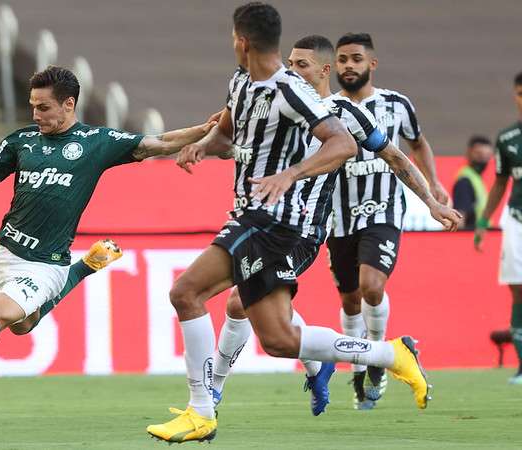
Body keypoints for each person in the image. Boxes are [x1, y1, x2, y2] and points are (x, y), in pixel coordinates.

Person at [146, 4, 457, 443]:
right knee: (277, 339)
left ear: (241, 40)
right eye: (293, 62)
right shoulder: (239, 82)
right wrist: (202, 145)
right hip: (253, 215)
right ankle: (391, 354)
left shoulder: (297, 95)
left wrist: (290, 174)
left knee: (187, 292)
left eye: (304, 63)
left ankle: (204, 404)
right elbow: (227, 132)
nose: (297, 69)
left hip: (282, 223)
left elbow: (351, 145)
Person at [0, 65, 217, 424]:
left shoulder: (97, 142)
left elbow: (161, 142)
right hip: (8, 255)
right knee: (22, 325)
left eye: (43, 107)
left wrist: (203, 131)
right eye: (32, 106)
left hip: (46, 265)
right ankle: (85, 268)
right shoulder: (20, 142)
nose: (36, 114)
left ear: (68, 104)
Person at [329, 32, 451, 409]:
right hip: (337, 217)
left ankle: (379, 362)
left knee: (372, 286)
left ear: (372, 64)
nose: (349, 66)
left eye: (356, 59)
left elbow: (418, 142)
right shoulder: (324, 108)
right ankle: (358, 372)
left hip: (383, 210)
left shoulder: (396, 105)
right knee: (350, 300)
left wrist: (433, 182)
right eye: (343, 59)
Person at [475, 71, 522, 385]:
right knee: (518, 290)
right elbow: (500, 182)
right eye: (520, 92)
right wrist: (482, 221)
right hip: (517, 219)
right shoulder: (507, 138)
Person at [453, 135, 493, 230]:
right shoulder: (465, 181)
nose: (483, 159)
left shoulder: (476, 179)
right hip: (470, 236)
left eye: (487, 156)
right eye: (479, 154)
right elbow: (460, 219)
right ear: (468, 153)